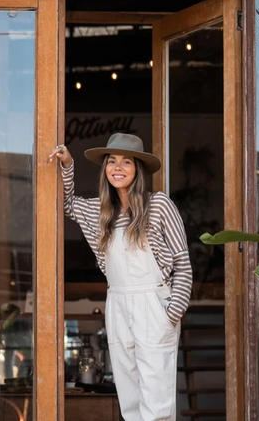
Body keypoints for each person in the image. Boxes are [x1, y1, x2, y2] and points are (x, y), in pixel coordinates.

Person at [49, 133, 193, 421]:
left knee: (156, 395)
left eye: (126, 161)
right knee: (128, 393)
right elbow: (66, 205)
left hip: (154, 303)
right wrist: (68, 165)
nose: (117, 167)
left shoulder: (160, 205)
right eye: (111, 161)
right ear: (104, 169)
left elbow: (183, 265)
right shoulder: (98, 212)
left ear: (137, 169)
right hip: (117, 302)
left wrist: (171, 313)